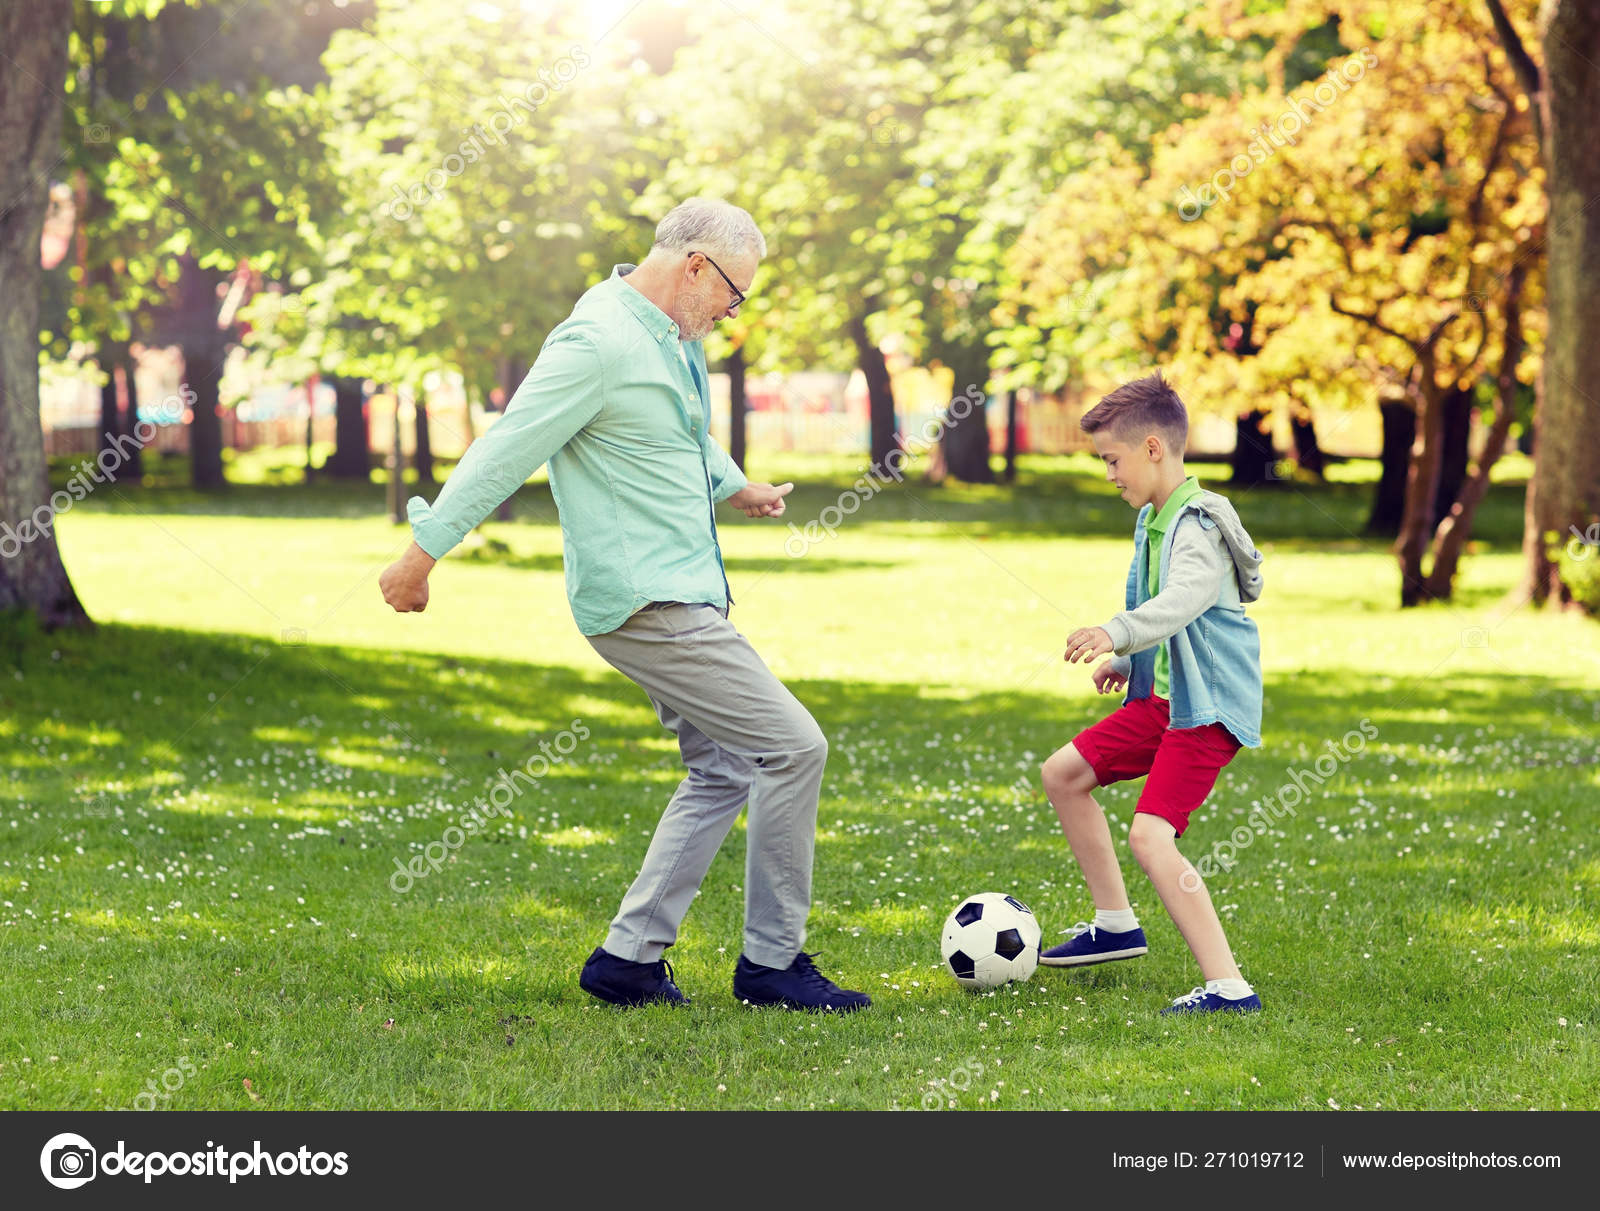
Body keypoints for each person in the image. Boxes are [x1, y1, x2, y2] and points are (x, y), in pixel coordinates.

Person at [379, 198, 869, 1013]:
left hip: (680, 591)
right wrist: (420, 554)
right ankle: (772, 965)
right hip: (650, 600)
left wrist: (733, 483)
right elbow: (508, 447)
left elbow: (677, 431)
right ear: (693, 266)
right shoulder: (597, 341)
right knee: (793, 748)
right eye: (732, 294)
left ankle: (628, 961)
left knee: (721, 766)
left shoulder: (663, 339)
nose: (730, 313)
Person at [1038, 371, 1266, 1015]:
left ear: (1153, 449)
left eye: (1113, 459)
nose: (1110, 473)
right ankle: (1115, 926)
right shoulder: (1153, 519)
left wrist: (1113, 632)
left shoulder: (1195, 526)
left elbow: (1183, 601)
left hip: (1207, 709)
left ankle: (1229, 987)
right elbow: (1159, 613)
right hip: (1166, 701)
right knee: (1064, 774)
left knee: (1150, 836)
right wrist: (1129, 657)